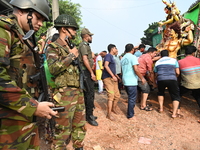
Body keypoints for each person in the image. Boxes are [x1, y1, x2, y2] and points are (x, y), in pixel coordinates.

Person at [0, 0, 58, 149]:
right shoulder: (4, 29)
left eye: (43, 20)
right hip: (8, 122)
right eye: (38, 18)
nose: (40, 23)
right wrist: (33, 106)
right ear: (21, 10)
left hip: (23, 116)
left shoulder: (24, 36)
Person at [46, 14, 86, 150]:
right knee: (62, 129)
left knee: (79, 124)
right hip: (64, 95)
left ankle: (79, 146)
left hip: (77, 92)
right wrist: (71, 56)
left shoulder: (71, 46)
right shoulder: (53, 47)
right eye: (73, 29)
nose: (75, 32)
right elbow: (53, 68)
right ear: (64, 29)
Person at [78, 28, 98, 126]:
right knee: (89, 94)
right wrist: (91, 73)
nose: (91, 38)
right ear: (86, 36)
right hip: (86, 72)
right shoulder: (83, 45)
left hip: (87, 71)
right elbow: (85, 59)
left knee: (90, 94)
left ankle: (89, 114)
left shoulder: (85, 46)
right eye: (90, 36)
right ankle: (89, 117)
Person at [121, 44, 146, 121]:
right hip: (131, 80)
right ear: (132, 50)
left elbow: (122, 71)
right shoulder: (133, 57)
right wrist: (141, 78)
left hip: (125, 80)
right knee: (132, 98)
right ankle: (130, 115)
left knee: (130, 97)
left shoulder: (123, 58)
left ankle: (131, 112)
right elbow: (136, 69)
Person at [154, 50, 180, 118]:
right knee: (175, 95)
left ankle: (161, 108)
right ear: (168, 54)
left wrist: (155, 81)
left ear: (161, 55)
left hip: (161, 79)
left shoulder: (157, 62)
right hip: (172, 79)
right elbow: (178, 72)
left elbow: (156, 74)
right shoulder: (174, 60)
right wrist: (175, 77)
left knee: (160, 93)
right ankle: (174, 114)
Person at [178, 46, 200, 122]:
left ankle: (177, 109)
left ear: (185, 53)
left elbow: (178, 74)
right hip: (199, 85)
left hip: (187, 85)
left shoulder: (180, 62)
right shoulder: (199, 60)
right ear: (193, 53)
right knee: (198, 97)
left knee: (177, 94)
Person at [102, 44, 120, 121]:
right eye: (116, 48)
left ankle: (113, 108)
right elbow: (106, 66)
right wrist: (113, 76)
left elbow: (111, 68)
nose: (117, 50)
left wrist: (116, 76)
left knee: (117, 95)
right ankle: (108, 115)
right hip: (108, 78)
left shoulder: (112, 57)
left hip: (113, 77)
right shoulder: (108, 55)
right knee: (111, 95)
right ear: (112, 49)